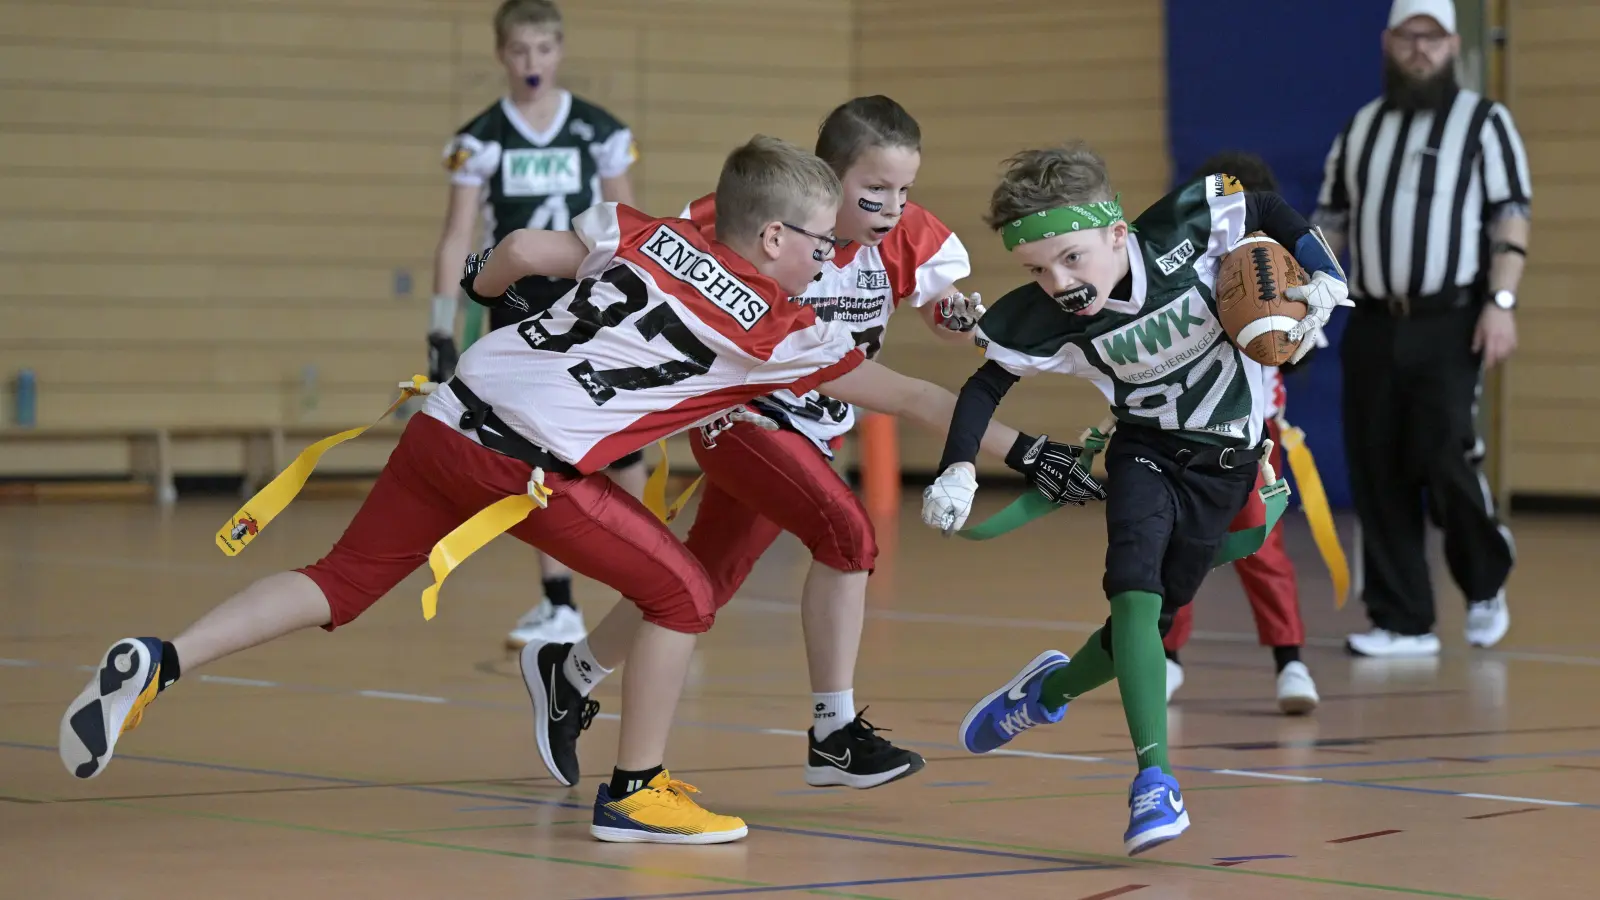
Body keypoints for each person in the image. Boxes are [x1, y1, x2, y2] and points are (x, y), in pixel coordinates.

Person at [59, 136, 1015, 845]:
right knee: (684, 594)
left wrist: (484, 288)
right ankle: (636, 791)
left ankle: (163, 659)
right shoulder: (778, 327)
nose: (828, 258)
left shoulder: (645, 232)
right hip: (524, 457)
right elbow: (918, 397)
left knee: (341, 578)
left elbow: (517, 249)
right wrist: (1037, 452)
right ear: (772, 235)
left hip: (448, 412)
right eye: (817, 243)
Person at [515, 97, 1094, 793]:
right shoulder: (757, 217)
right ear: (826, 177)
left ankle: (569, 673)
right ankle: (832, 732)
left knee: (702, 581)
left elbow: (941, 314)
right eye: (875, 189)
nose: (893, 206)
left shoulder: (906, 236)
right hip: (741, 415)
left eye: (905, 189)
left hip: (814, 426)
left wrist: (955, 315)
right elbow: (645, 256)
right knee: (847, 535)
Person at [923, 143, 1351, 854]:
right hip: (1144, 453)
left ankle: (1047, 695)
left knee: (1149, 623)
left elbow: (1263, 204)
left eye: (1071, 259)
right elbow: (985, 386)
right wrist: (958, 468)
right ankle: (1156, 779)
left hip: (1227, 467)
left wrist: (1325, 270)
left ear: (1118, 234)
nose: (1058, 282)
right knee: (1133, 593)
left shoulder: (1184, 233)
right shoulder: (1043, 316)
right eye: (1037, 270)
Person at [426, 0, 648, 650]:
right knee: (535, 445)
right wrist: (441, 326)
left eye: (544, 50)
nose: (532, 63)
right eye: (520, 50)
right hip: (518, 303)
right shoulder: (482, 138)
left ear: (560, 51)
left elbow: (628, 220)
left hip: (591, 295)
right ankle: (559, 603)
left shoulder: (597, 130)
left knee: (624, 443)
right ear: (501, 53)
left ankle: (648, 584)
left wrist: (638, 300)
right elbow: (457, 237)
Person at [1314, 0, 1529, 658]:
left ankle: (1485, 578)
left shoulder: (1485, 123)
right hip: (1374, 319)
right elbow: (1331, 220)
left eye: (1432, 38)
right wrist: (1303, 296)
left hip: (1450, 319)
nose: (1420, 49)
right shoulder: (1361, 127)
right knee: (1376, 463)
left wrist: (1501, 301)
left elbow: (1510, 215)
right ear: (1388, 42)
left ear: (1453, 45)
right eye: (1409, 36)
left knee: (1446, 457)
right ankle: (1403, 620)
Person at [1162, 151, 1320, 715]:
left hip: (1253, 439)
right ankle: (1167, 658)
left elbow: (1299, 359)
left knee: (1261, 546)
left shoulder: (1281, 271)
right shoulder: (1181, 274)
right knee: (1176, 545)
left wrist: (1283, 326)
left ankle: (1290, 661)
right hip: (1183, 432)